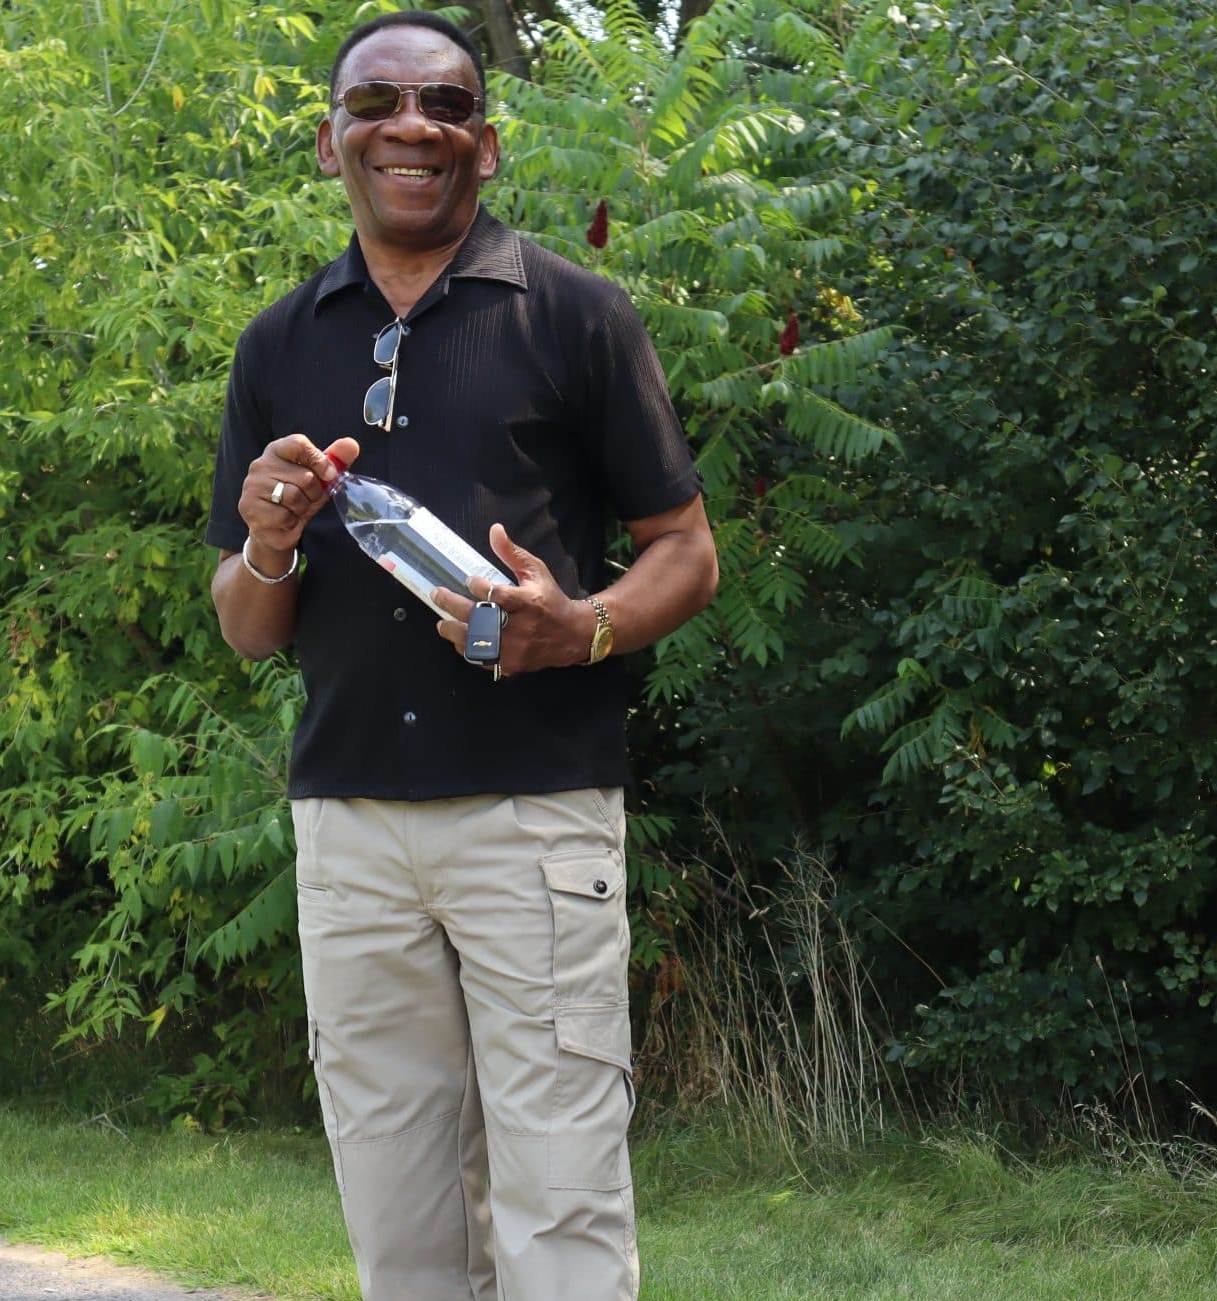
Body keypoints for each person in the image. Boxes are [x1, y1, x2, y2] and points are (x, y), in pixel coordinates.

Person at [202, 11, 717, 1300]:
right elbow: (248, 624)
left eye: (443, 104)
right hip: (351, 829)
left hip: (533, 817)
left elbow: (687, 552)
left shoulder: (577, 316)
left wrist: (582, 625)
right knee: (399, 1215)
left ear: (486, 145)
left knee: (560, 1194)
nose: (411, 125)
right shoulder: (278, 344)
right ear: (330, 141)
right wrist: (267, 543)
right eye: (376, 103)